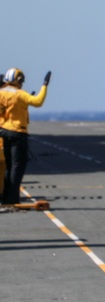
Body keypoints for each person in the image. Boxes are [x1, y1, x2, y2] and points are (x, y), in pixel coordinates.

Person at [0, 67, 50, 206]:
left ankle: (5, 197)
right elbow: (38, 102)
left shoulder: (1, 93)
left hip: (4, 131)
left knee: (8, 167)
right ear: (18, 80)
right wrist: (44, 85)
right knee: (18, 167)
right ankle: (13, 199)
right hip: (18, 133)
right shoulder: (20, 94)